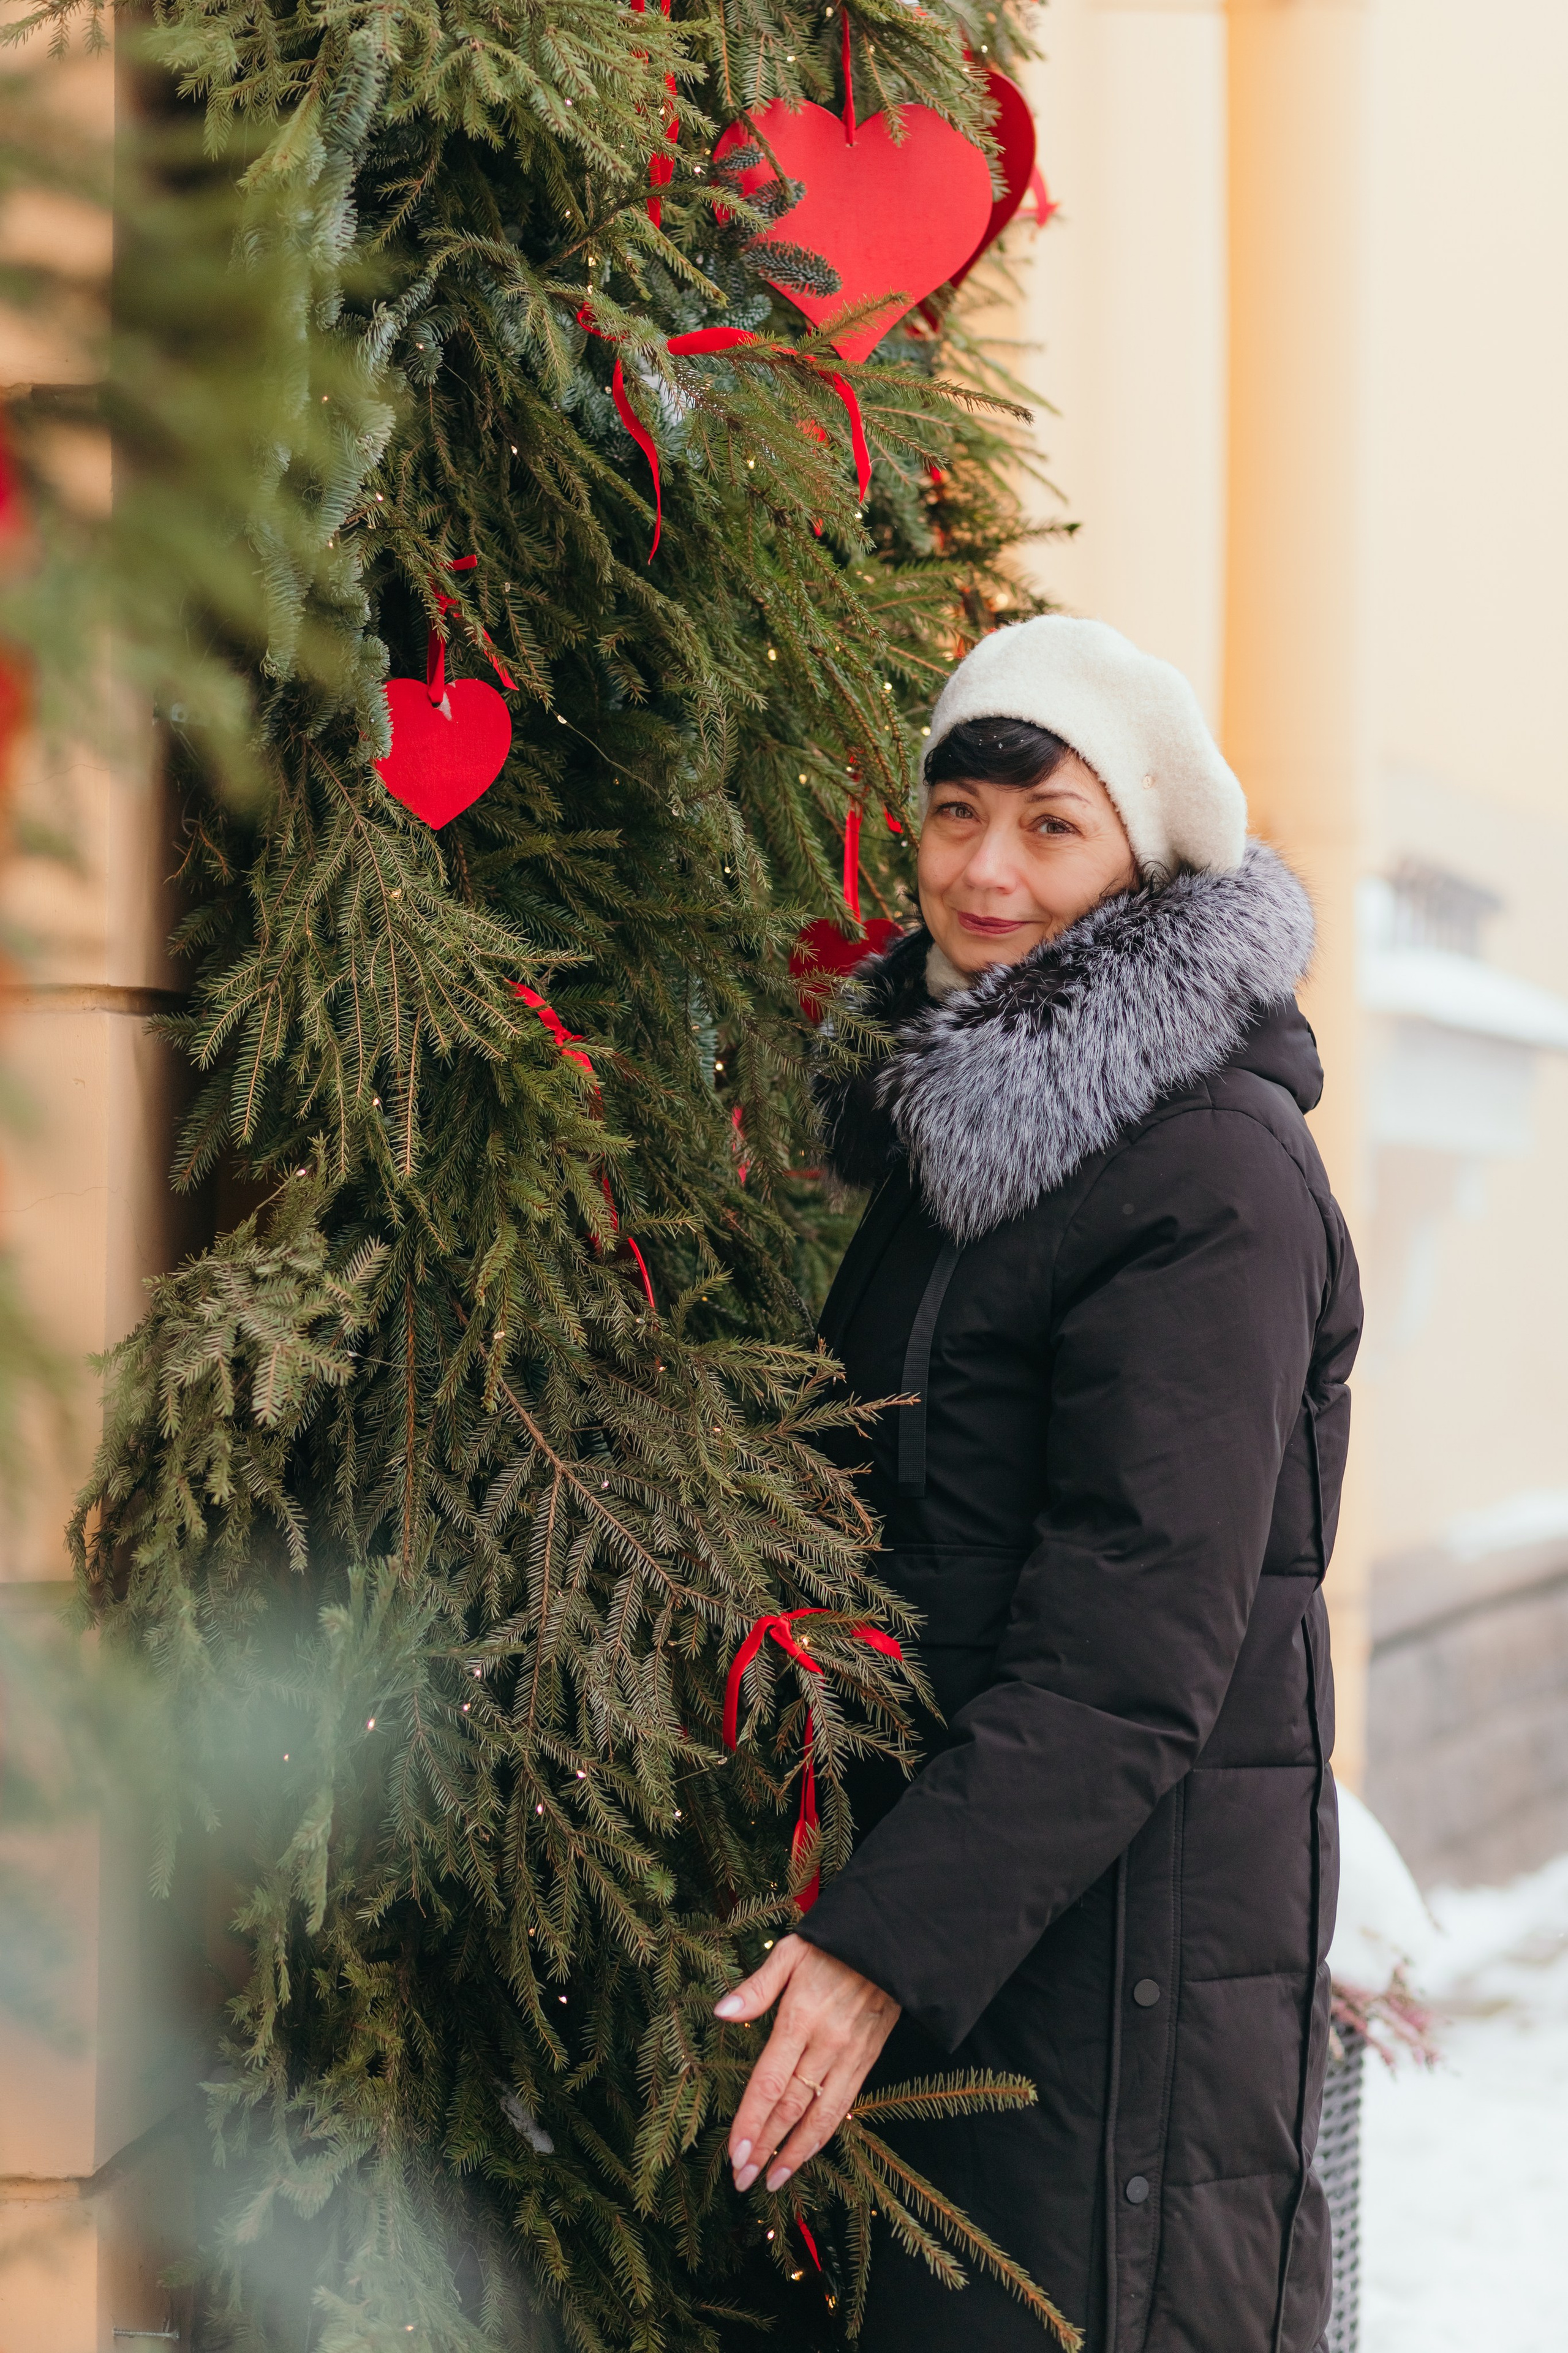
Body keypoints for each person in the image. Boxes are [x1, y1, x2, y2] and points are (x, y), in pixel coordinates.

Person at [714, 616, 1362, 2352]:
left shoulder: (1207, 1176)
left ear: (1144, 856)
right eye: (954, 812)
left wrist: (877, 1950)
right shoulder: (969, 1137)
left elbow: (1131, 1650)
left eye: (1050, 823)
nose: (985, 870)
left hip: (1105, 1994)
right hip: (974, 1939)